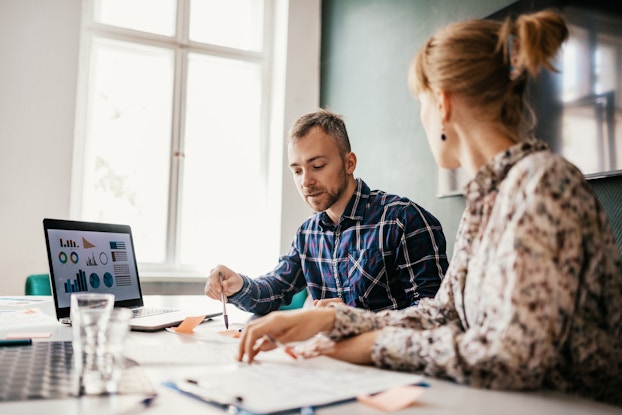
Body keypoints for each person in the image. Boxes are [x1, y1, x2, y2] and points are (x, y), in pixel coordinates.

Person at [237, 10, 622, 406]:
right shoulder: (487, 200)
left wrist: (368, 345)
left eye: (421, 104)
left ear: (442, 103)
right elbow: (444, 314)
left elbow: (512, 358)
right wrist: (333, 321)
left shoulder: (544, 185)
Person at [204, 109, 448, 315]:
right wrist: (238, 285)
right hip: (328, 361)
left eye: (317, 166)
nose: (306, 181)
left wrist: (356, 320)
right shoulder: (307, 234)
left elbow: (433, 314)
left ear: (349, 163)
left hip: (390, 365)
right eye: (297, 171)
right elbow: (276, 288)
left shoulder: (403, 220)